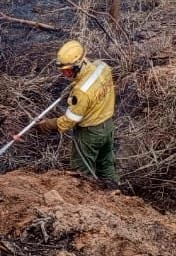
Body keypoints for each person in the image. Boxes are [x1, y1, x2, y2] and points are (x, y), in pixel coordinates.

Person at [34, 40, 118, 185]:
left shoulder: (81, 92)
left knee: (81, 174)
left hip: (90, 134)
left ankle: (86, 197)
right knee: (106, 165)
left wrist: (47, 125)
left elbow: (69, 121)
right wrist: (75, 84)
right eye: (62, 70)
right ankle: (115, 190)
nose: (64, 74)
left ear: (78, 64)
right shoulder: (102, 67)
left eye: (68, 70)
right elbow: (94, 85)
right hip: (108, 126)